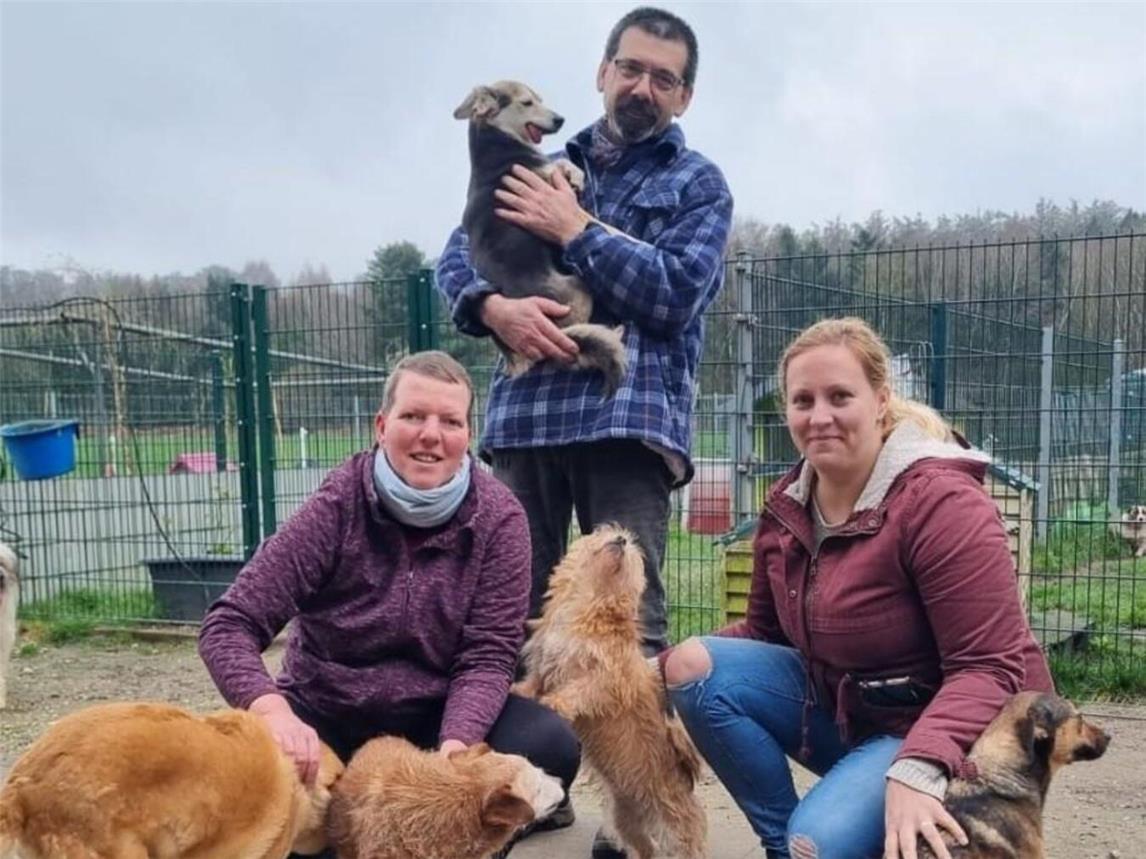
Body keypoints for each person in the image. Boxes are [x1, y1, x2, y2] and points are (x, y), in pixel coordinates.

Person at [661, 318, 1055, 859]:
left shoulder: (941, 502)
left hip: (956, 725)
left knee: (817, 842)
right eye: (803, 400)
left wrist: (920, 765)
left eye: (839, 396)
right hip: (853, 713)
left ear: (881, 400)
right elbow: (765, 633)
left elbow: (990, 665)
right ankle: (782, 847)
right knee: (693, 668)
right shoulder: (787, 506)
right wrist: (649, 673)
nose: (819, 416)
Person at [435, 7, 734, 665]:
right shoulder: (532, 162)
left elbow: (677, 292)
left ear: (683, 96)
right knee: (510, 621)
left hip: (625, 417)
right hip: (525, 421)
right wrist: (490, 308)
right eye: (630, 68)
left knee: (623, 630)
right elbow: (456, 255)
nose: (642, 87)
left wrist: (575, 230)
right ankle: (519, 738)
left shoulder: (698, 186)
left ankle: (628, 737)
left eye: (663, 78)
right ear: (603, 72)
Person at [198, 351, 580, 857]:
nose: (431, 435)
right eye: (413, 416)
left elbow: (488, 655)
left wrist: (457, 752)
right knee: (253, 787)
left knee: (549, 743)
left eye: (450, 421)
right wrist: (273, 712)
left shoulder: (500, 519)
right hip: (328, 713)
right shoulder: (338, 506)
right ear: (381, 426)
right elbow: (228, 624)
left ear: (468, 434)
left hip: (436, 719)